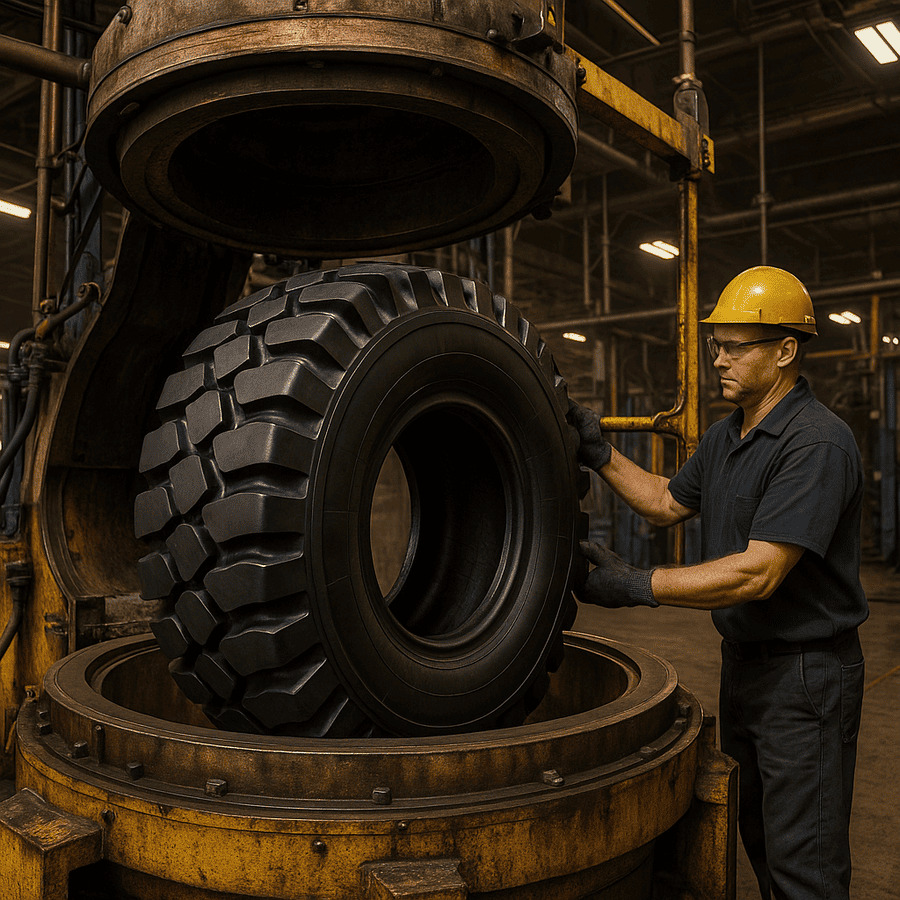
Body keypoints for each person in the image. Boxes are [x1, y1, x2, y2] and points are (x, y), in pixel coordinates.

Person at [572, 266, 868, 900]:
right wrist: (600, 454)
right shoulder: (728, 436)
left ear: (785, 352)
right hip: (749, 667)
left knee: (804, 862)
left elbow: (759, 571)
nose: (718, 359)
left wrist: (638, 585)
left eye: (735, 346)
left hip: (805, 675)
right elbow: (663, 502)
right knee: (760, 835)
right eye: (716, 345)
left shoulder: (816, 444)